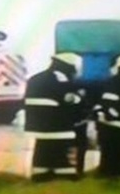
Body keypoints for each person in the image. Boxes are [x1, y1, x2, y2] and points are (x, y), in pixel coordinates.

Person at [23, 52, 84, 181]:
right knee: (61, 155)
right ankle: (64, 175)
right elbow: (70, 101)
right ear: (69, 66)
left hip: (37, 128)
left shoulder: (35, 79)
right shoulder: (61, 81)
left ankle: (40, 175)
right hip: (59, 127)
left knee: (42, 154)